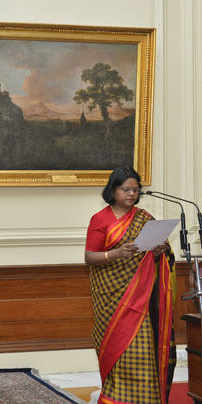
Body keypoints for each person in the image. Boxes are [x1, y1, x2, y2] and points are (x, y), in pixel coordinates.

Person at [85, 166, 176, 404]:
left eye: (135, 190)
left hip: (139, 299)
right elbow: (90, 257)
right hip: (110, 298)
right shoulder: (100, 219)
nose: (131, 194)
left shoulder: (144, 218)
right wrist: (116, 254)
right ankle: (113, 399)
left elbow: (157, 256)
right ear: (113, 190)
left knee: (142, 349)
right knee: (117, 351)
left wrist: (159, 251)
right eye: (125, 189)